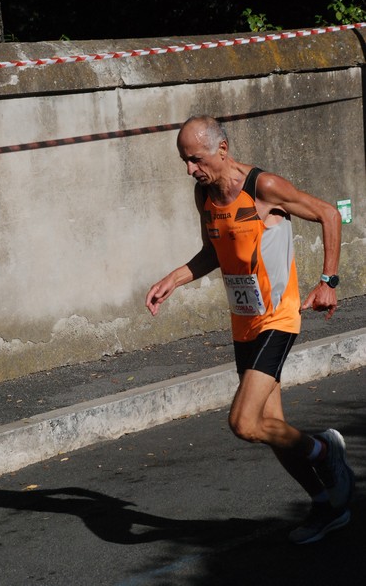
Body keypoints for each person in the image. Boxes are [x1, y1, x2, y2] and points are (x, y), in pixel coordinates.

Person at [145, 115, 355, 545]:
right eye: (185, 161)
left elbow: (329, 214)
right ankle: (327, 504)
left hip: (278, 318)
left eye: (195, 159)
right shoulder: (204, 194)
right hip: (244, 324)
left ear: (221, 150)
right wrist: (174, 279)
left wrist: (328, 281)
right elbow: (213, 252)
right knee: (271, 426)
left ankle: (325, 451)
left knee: (244, 422)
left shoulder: (263, 188)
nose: (190, 169)